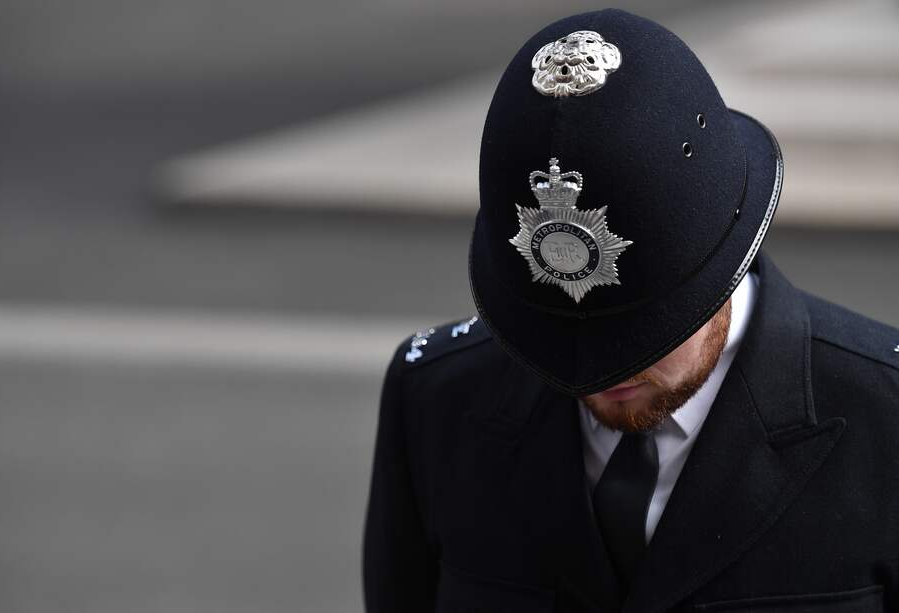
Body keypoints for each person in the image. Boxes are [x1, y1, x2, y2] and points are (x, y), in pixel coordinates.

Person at [363, 9, 899, 612]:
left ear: (727, 259)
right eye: (552, 332)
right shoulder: (435, 400)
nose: (598, 371)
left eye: (647, 331)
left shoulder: (885, 416)